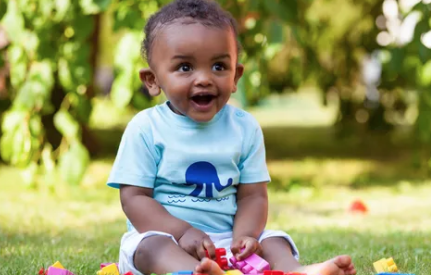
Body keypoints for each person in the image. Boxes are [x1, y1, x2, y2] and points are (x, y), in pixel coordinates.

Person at [106, 1, 357, 275]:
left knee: (273, 240)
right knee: (150, 248)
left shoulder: (244, 128)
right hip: (165, 236)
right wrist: (181, 232)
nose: (204, 79)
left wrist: (245, 236)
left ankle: (296, 271)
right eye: (185, 68)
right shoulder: (146, 128)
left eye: (218, 66)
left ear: (236, 75)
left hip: (227, 240)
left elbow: (253, 197)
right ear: (153, 80)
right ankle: (196, 271)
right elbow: (134, 199)